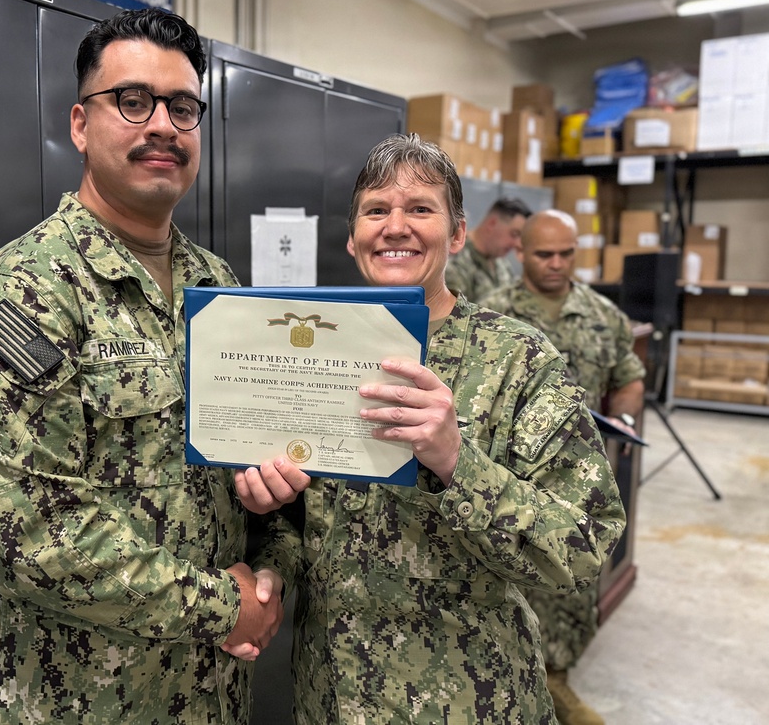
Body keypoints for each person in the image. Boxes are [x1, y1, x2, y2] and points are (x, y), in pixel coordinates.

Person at [0, 8, 282, 724]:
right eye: (132, 101)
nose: (161, 124)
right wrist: (225, 605)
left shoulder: (219, 286)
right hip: (72, 699)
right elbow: (31, 536)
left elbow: (259, 460)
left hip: (207, 696)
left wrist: (273, 542)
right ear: (80, 124)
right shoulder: (24, 293)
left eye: (183, 107)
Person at [232, 133, 627, 723]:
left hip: (469, 700)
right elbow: (302, 522)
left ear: (458, 233)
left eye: (420, 209)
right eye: (376, 211)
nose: (396, 227)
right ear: (353, 236)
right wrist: (272, 557)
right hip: (332, 695)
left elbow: (585, 545)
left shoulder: (517, 358)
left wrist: (456, 462)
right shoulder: (311, 348)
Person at [482, 208, 646, 725]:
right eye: (544, 254)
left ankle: (557, 681)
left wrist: (621, 414)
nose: (556, 264)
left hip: (574, 483)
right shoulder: (491, 316)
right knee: (509, 591)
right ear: (520, 252)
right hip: (505, 483)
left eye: (566, 254)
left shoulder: (603, 315)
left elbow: (630, 377)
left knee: (571, 590)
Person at [444, 195, 531, 302]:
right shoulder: (456, 262)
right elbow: (456, 313)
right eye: (514, 234)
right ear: (491, 224)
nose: (517, 243)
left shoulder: (502, 264)